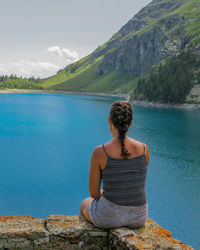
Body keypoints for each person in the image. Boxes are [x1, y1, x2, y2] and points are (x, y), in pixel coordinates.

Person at [80, 100, 149, 229]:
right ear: (131, 123)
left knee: (84, 203)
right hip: (139, 216)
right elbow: (132, 185)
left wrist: (105, 193)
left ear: (110, 122)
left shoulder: (100, 151)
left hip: (111, 217)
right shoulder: (144, 149)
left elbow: (93, 194)